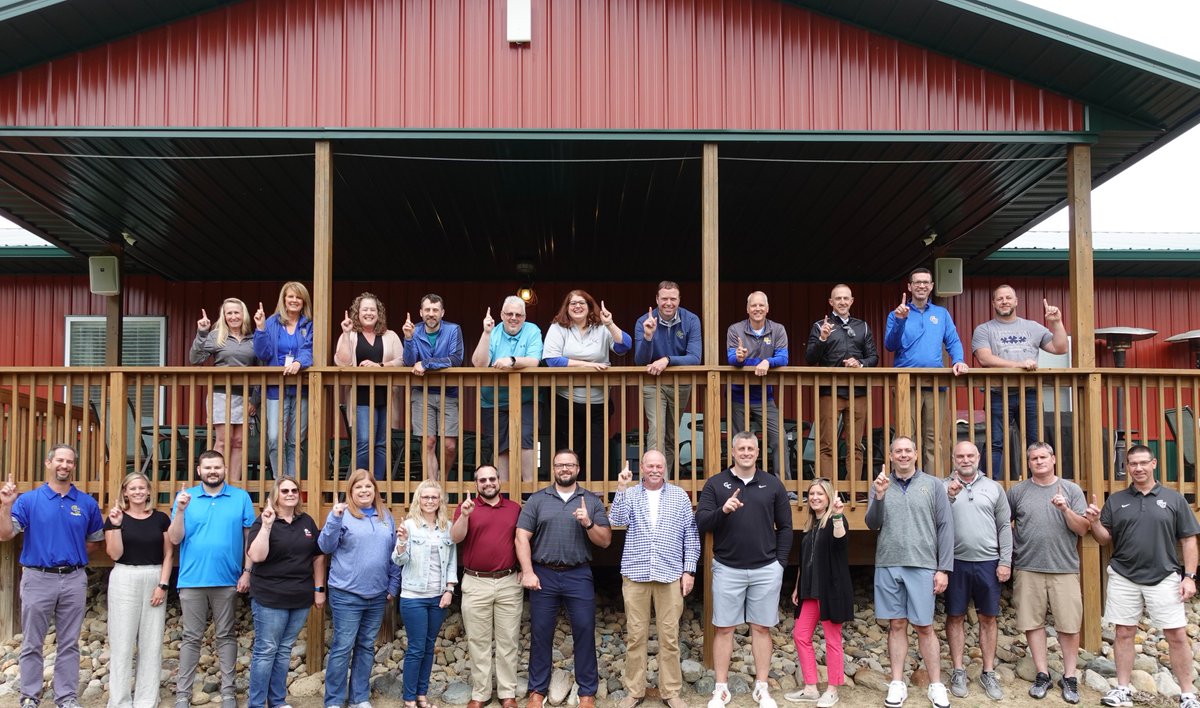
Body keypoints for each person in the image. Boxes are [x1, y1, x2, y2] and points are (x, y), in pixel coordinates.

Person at [1084, 445, 1200, 708]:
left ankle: (1188, 694)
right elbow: (1105, 540)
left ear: (1154, 464)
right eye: (1132, 464)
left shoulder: (1174, 499)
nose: (1137, 468)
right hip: (1124, 576)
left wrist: (1190, 576)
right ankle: (1122, 690)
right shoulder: (1116, 499)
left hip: (1164, 576)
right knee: (1124, 633)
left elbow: (1189, 540)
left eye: (1143, 463)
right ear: (1127, 467)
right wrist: (1094, 523)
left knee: (1177, 635)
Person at [0, 445, 104, 708]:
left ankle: (66, 697)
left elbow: (94, 542)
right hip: (37, 577)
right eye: (60, 460)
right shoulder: (28, 501)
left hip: (73, 579)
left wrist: (72, 556)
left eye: (69, 461)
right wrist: (5, 506)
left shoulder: (86, 503)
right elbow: (5, 534)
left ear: (73, 466)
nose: (64, 465)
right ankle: (29, 696)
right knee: (32, 642)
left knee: (69, 643)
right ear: (48, 463)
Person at [696, 432, 792, 708]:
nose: (746, 452)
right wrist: (723, 510)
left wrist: (780, 563)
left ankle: (762, 688)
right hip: (728, 568)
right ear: (733, 452)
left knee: (761, 628)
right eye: (741, 448)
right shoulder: (716, 484)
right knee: (724, 629)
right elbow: (701, 522)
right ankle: (721, 689)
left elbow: (785, 527)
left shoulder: (773, 484)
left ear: (758, 452)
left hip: (765, 569)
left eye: (751, 448)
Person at [516, 449, 612, 708]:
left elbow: (605, 541)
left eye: (570, 465)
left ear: (578, 469)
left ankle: (587, 692)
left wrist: (589, 524)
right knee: (540, 632)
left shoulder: (590, 501)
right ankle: (537, 690)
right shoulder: (537, 500)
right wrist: (527, 571)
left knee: (583, 630)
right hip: (543, 574)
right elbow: (521, 536)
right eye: (560, 465)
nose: (565, 469)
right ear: (553, 468)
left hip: (578, 574)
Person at [864, 436, 954, 708]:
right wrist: (878, 496)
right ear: (891, 456)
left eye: (908, 451)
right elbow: (872, 524)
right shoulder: (880, 484)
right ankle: (897, 683)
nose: (903, 455)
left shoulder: (934, 485)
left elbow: (945, 527)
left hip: (923, 564)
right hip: (889, 562)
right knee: (897, 624)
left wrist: (943, 569)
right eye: (898, 451)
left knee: (925, 626)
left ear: (916, 454)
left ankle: (936, 685)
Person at [609, 451, 700, 708]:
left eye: (659, 466)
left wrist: (689, 570)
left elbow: (690, 536)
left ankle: (670, 691)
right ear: (643, 468)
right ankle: (634, 691)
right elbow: (616, 520)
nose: (655, 470)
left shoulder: (679, 496)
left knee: (669, 637)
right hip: (636, 575)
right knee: (635, 636)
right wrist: (622, 487)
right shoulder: (631, 493)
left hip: (670, 574)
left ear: (665, 468)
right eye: (650, 466)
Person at [168, 449, 256, 708]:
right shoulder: (185, 497)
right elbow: (174, 539)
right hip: (192, 580)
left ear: (225, 469)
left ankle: (228, 692)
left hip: (228, 580)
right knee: (190, 638)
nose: (212, 471)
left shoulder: (240, 497)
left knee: (227, 636)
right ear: (199, 471)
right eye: (207, 468)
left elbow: (249, 538)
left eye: (217, 467)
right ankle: (183, 694)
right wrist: (181, 511)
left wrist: (247, 571)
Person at [1007, 442, 1088, 704]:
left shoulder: (1072, 490)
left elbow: (1083, 529)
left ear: (1053, 459)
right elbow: (1002, 523)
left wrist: (1065, 509)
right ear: (1028, 462)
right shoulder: (1018, 491)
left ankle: (1070, 676)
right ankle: (1042, 673)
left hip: (1063, 567)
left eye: (1043, 457)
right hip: (1028, 566)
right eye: (1033, 458)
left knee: (1069, 625)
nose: (1039, 461)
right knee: (1032, 623)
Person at [319, 469, 402, 708]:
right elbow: (325, 546)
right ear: (350, 492)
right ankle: (334, 700)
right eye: (359, 487)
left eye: (368, 486)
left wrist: (393, 585)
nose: (364, 491)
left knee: (366, 646)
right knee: (342, 647)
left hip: (376, 595)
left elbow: (394, 553)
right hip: (347, 594)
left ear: (375, 489)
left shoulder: (385, 515)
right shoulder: (341, 515)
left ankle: (359, 698)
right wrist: (334, 518)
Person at [971, 286, 1069, 479]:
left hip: (1030, 392)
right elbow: (985, 359)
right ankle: (989, 486)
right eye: (999, 299)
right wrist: (1019, 365)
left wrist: (1057, 323)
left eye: (1008, 298)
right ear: (993, 303)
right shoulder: (984, 329)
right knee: (995, 442)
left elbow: (1060, 348)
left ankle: (1039, 482)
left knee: (1036, 442)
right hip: (998, 392)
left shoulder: (1032, 327)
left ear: (1016, 302)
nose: (1004, 301)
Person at [246, 476, 327, 708]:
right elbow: (257, 556)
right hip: (270, 597)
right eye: (285, 491)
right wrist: (268, 525)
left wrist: (319, 589)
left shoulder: (307, 522)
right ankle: (257, 704)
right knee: (266, 650)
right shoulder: (263, 521)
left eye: (294, 490)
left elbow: (317, 556)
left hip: (300, 597)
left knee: (283, 651)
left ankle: (278, 701)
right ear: (276, 495)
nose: (290, 494)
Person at [943, 441, 1012, 701]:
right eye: (960, 456)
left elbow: (1004, 526)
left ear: (978, 457)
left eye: (970, 455)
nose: (965, 459)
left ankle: (988, 671)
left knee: (988, 618)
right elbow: (935, 520)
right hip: (955, 562)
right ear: (953, 458)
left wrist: (1005, 560)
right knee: (955, 616)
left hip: (988, 562)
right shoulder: (943, 487)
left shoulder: (993, 488)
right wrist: (949, 495)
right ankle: (958, 669)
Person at [884, 268, 968, 474]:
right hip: (906, 384)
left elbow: (953, 341)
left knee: (934, 438)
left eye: (926, 282)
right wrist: (900, 321)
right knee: (906, 437)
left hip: (935, 384)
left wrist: (959, 360)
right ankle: (906, 481)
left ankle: (934, 485)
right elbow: (890, 345)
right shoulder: (896, 313)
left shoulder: (941, 314)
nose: (922, 286)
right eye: (917, 282)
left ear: (931, 287)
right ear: (909, 286)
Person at [451, 466, 523, 708]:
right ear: (476, 484)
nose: (488, 483)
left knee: (508, 641)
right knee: (478, 641)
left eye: (492, 478)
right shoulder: (466, 508)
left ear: (499, 481)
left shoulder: (514, 509)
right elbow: (456, 538)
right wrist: (465, 516)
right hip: (476, 581)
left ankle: (507, 693)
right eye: (483, 480)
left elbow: (522, 540)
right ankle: (480, 693)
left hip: (508, 582)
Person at [542, 291, 631, 473]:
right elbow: (551, 360)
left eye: (582, 302)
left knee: (597, 451)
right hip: (566, 401)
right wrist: (588, 365)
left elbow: (624, 347)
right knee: (570, 450)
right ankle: (568, 489)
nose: (577, 306)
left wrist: (610, 324)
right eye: (572, 303)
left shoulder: (601, 327)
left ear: (590, 306)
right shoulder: (558, 327)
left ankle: (595, 495)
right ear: (566, 308)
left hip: (598, 402)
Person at [103, 472, 172, 708]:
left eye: (142, 488)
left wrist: (162, 585)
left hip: (154, 576)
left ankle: (146, 700)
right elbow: (114, 554)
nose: (137, 492)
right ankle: (120, 700)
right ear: (124, 492)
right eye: (132, 488)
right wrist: (114, 525)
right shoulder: (116, 517)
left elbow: (169, 554)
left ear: (149, 491)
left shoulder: (161, 519)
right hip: (124, 576)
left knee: (151, 643)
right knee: (121, 642)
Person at [784, 478, 851, 708]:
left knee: (833, 640)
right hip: (809, 590)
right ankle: (811, 687)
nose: (814, 498)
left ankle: (833, 689)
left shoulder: (834, 521)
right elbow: (805, 561)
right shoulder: (809, 527)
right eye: (812, 494)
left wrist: (838, 516)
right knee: (801, 635)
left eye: (820, 494)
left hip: (830, 590)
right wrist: (797, 586)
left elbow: (841, 543)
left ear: (829, 497)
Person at [393, 480, 458, 708]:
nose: (430, 501)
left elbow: (451, 562)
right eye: (425, 497)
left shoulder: (447, 527)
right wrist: (401, 543)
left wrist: (449, 590)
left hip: (438, 596)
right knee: (416, 648)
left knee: (429, 648)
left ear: (440, 501)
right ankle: (409, 698)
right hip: (414, 597)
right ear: (418, 500)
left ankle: (422, 695)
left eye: (434, 497)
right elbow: (398, 560)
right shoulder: (409, 526)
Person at [805, 284, 878, 479]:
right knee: (827, 444)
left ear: (852, 301)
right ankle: (827, 489)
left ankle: (852, 491)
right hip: (830, 391)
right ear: (831, 302)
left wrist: (860, 363)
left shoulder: (862, 326)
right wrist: (822, 338)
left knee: (855, 445)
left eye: (846, 298)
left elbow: (873, 357)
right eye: (838, 299)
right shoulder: (821, 326)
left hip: (858, 392)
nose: (843, 302)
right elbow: (810, 358)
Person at [470, 297, 543, 482]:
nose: (513, 318)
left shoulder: (532, 330)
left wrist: (511, 361)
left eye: (518, 314)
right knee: (500, 445)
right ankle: (504, 494)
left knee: (526, 439)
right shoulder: (492, 332)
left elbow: (534, 362)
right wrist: (486, 333)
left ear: (524, 317)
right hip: (492, 399)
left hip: (525, 397)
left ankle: (529, 493)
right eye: (509, 314)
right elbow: (479, 364)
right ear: (502, 315)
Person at [633, 282, 702, 473]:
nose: (668, 303)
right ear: (657, 299)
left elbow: (695, 358)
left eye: (673, 299)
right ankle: (652, 482)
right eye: (664, 299)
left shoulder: (691, 320)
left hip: (681, 384)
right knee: (657, 430)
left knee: (672, 435)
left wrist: (667, 360)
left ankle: (666, 482)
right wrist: (648, 336)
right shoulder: (643, 321)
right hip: (652, 383)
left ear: (679, 299)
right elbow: (640, 360)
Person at [335, 292, 403, 480]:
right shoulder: (350, 335)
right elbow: (343, 363)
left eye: (373, 309)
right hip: (360, 395)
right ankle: (360, 486)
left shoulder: (390, 336)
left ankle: (378, 488)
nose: (369, 313)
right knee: (364, 441)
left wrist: (380, 366)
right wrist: (346, 334)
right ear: (357, 312)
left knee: (381, 444)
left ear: (379, 313)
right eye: (365, 309)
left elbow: (403, 360)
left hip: (385, 395)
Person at [191, 297, 258, 480]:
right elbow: (195, 359)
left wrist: (255, 399)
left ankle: (233, 485)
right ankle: (214, 479)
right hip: (222, 394)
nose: (233, 316)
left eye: (237, 312)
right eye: (229, 313)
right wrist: (202, 333)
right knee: (223, 440)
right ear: (224, 316)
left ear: (243, 315)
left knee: (239, 442)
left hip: (245, 396)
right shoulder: (216, 335)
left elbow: (261, 368)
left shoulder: (253, 338)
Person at [726, 292, 791, 479]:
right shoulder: (735, 330)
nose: (757, 309)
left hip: (765, 396)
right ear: (747, 309)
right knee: (738, 442)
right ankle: (737, 481)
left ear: (767, 308)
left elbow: (784, 358)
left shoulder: (777, 329)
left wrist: (768, 362)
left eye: (761, 305)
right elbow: (731, 359)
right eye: (753, 306)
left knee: (780, 439)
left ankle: (783, 486)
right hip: (738, 395)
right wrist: (739, 358)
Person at [253, 282, 315, 479]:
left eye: (298, 297)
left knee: (296, 440)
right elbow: (263, 353)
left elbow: (310, 349)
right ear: (284, 299)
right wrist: (261, 329)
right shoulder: (271, 322)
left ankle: (293, 484)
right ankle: (281, 482)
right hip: (275, 388)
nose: (294, 301)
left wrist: (299, 362)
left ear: (303, 301)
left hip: (301, 389)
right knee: (274, 437)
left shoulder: (309, 324)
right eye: (291, 297)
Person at [402, 294, 465, 481]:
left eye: (435, 310)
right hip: (422, 393)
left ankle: (442, 481)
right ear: (421, 312)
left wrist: (427, 363)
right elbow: (409, 362)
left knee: (449, 445)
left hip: (449, 393)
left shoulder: (453, 330)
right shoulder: (414, 331)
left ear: (442, 313)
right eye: (427, 310)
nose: (431, 314)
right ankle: (433, 487)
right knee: (428, 442)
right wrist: (408, 339)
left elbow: (455, 359)